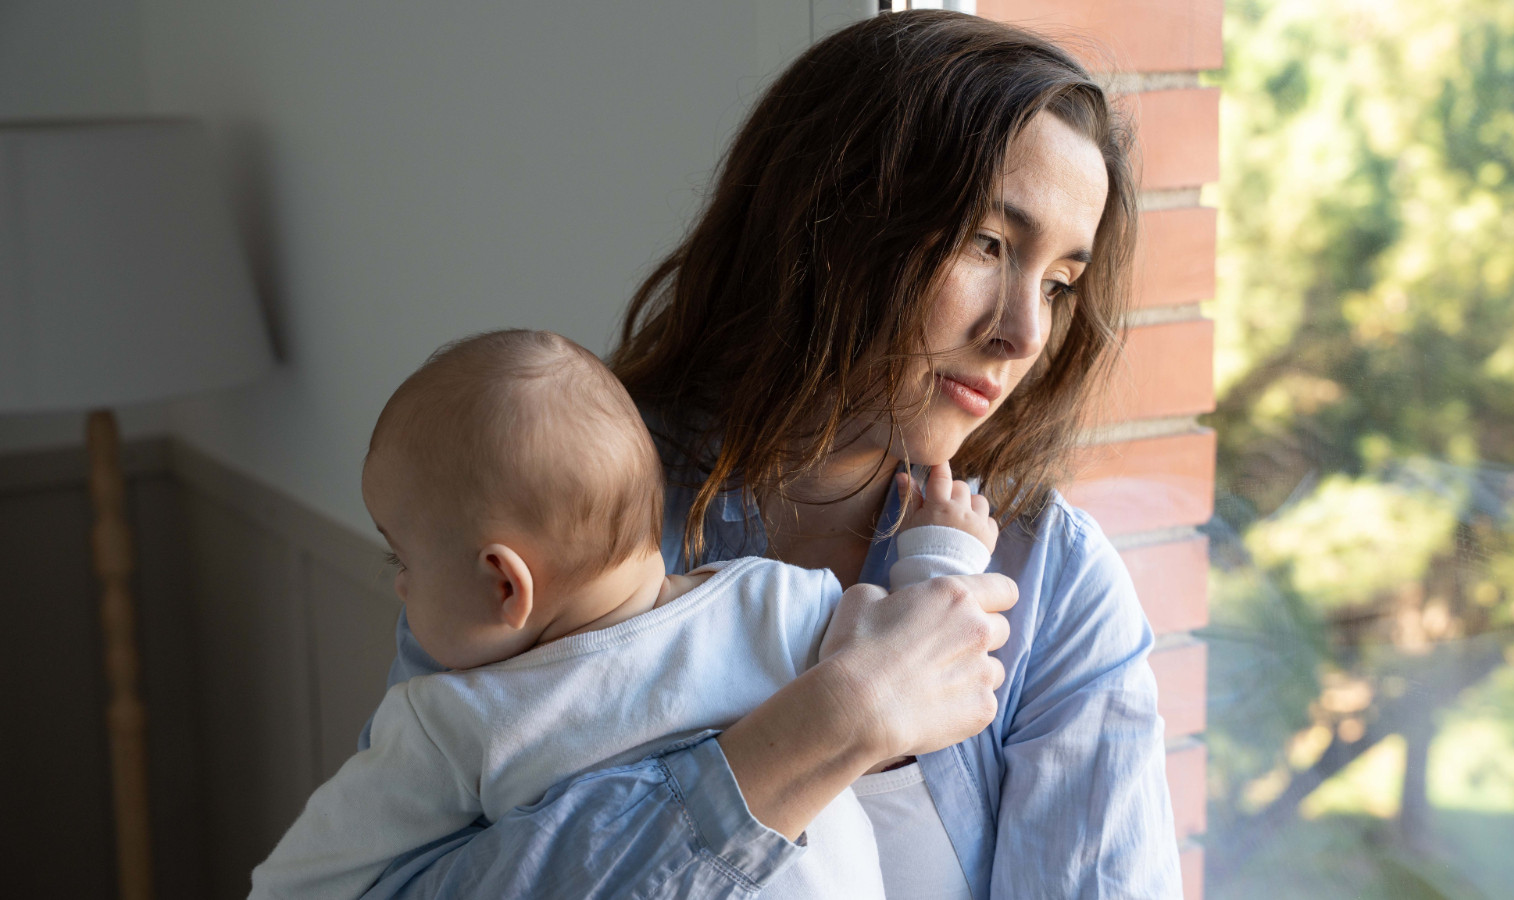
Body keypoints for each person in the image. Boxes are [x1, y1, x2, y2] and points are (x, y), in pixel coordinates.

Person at [361, 10, 1182, 899]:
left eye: (1060, 284)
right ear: (831, 217)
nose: (1022, 333)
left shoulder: (1051, 586)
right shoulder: (544, 496)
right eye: (988, 244)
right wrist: (835, 723)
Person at [253, 329, 997, 900]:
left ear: (505, 584)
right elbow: (918, 651)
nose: (401, 590)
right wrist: (940, 553)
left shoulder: (452, 722)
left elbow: (301, 886)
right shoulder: (774, 601)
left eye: (402, 562)